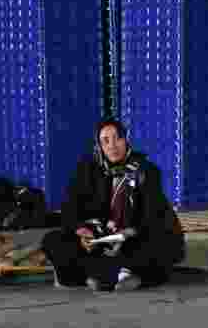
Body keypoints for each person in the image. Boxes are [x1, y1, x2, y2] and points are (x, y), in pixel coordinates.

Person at [41, 118, 185, 291]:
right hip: (102, 239)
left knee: (155, 246)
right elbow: (70, 207)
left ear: (126, 140)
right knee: (53, 240)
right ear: (99, 146)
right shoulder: (87, 170)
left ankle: (112, 275)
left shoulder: (146, 171)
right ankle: (114, 275)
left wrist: (126, 233)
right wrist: (80, 230)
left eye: (117, 138)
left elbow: (152, 216)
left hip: (135, 237)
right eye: (105, 141)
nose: (112, 146)